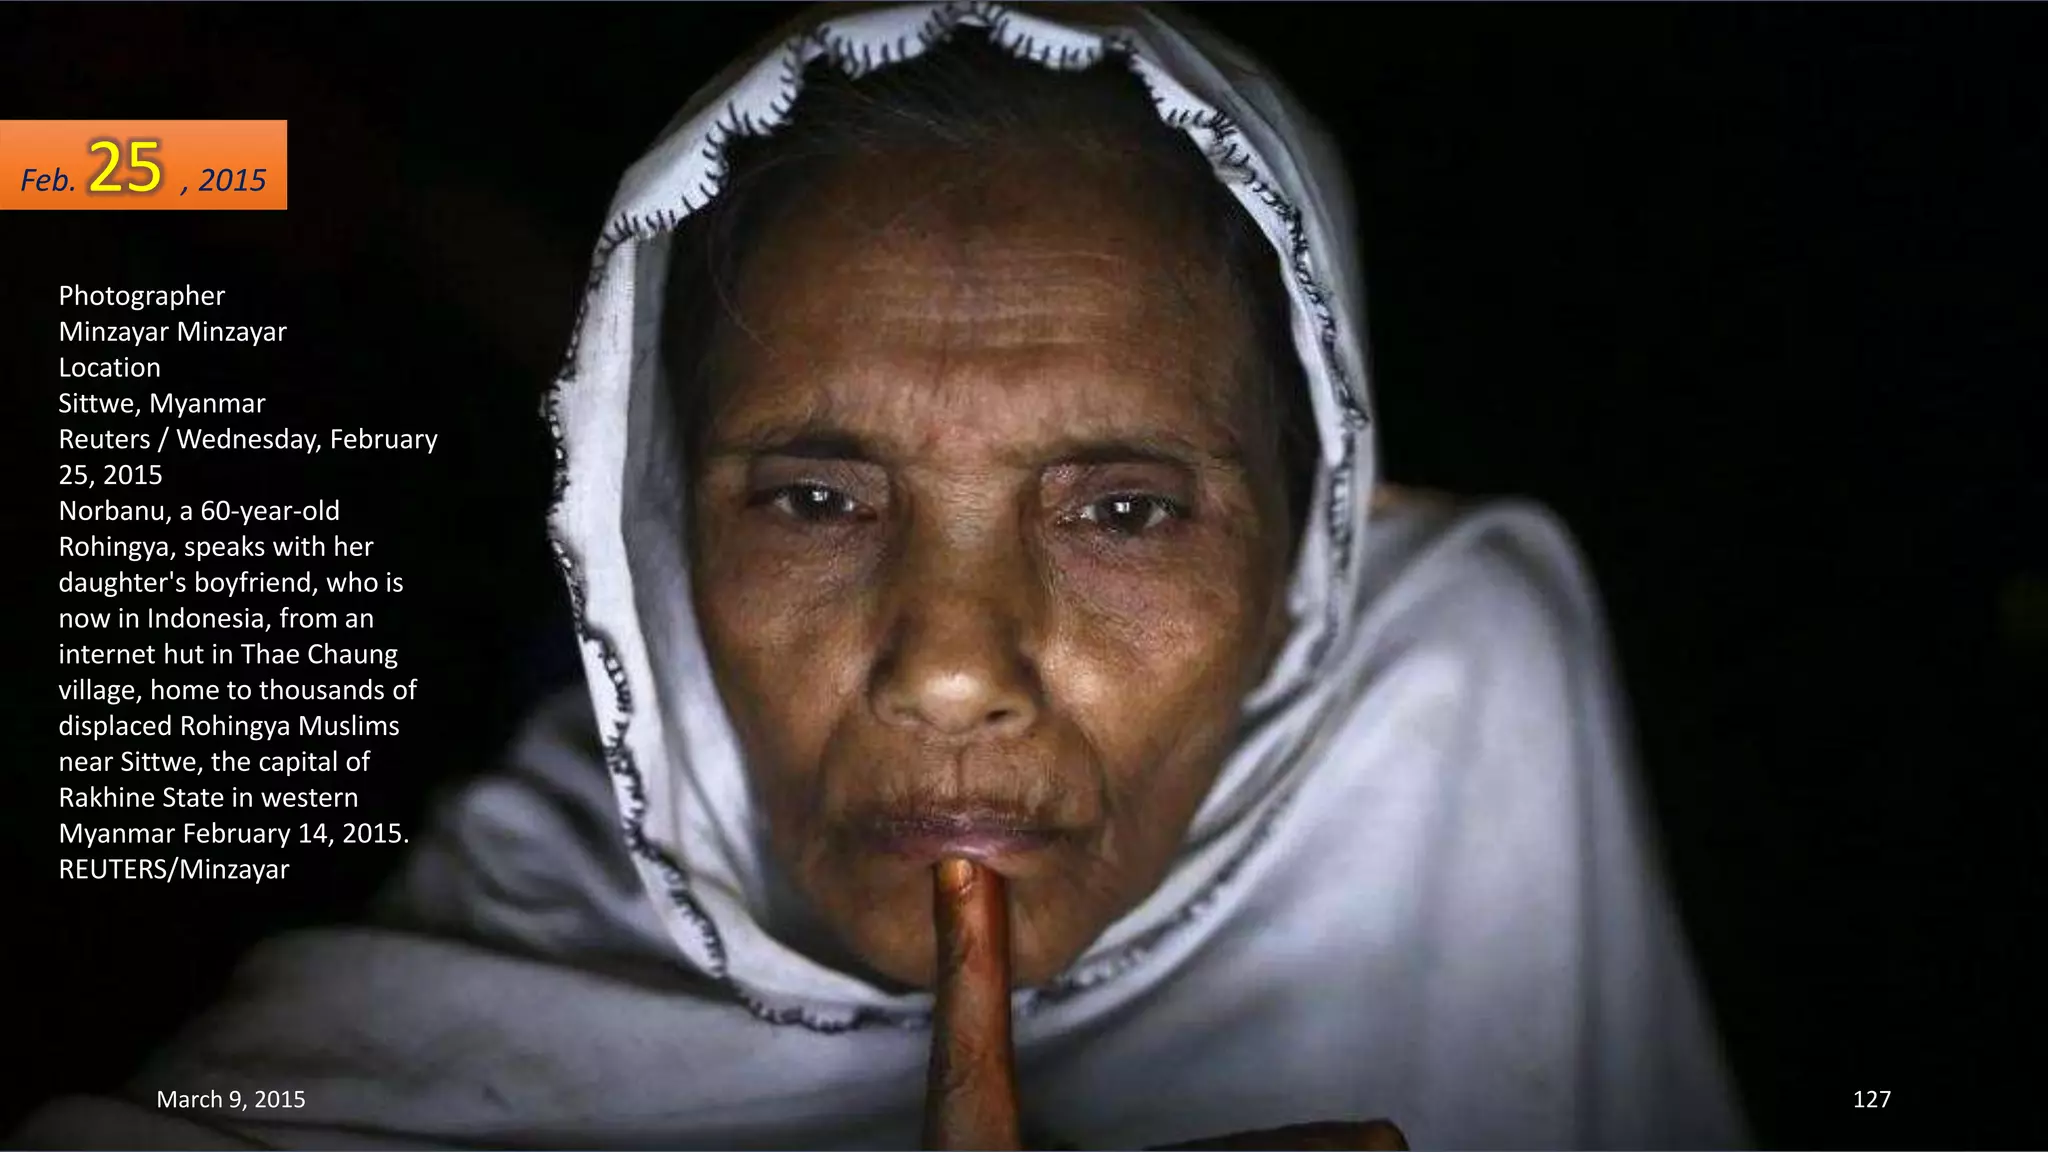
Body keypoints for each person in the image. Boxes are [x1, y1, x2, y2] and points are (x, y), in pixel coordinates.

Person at [12, 3, 1748, 1149]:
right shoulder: (384, 1050)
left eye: (1125, 511)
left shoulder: (1455, 702)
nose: (949, 670)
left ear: (1309, 556)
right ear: (655, 545)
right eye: (816, 499)